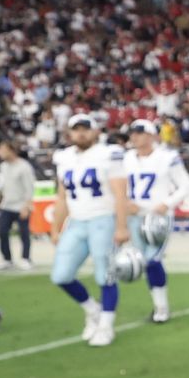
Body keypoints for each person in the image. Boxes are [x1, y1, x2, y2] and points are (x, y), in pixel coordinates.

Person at [50, 113, 131, 348]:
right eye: (76, 129)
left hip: (102, 219)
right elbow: (62, 197)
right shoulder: (64, 158)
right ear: (70, 133)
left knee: (105, 275)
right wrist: (56, 227)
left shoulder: (108, 154)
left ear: (95, 131)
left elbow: (119, 193)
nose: (81, 133)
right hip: (77, 221)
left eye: (86, 128)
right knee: (61, 276)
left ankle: (106, 326)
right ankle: (92, 309)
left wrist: (122, 226)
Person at [121, 118, 189, 325]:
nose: (135, 136)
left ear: (152, 135)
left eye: (140, 132)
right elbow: (119, 185)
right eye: (133, 133)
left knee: (152, 260)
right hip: (135, 216)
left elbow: (186, 186)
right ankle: (158, 305)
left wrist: (167, 203)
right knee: (145, 262)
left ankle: (161, 308)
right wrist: (124, 202)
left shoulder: (167, 157)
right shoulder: (126, 158)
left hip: (157, 219)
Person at [0, 139, 36, 272]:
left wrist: (27, 206)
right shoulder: (3, 166)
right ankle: (7, 259)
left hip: (21, 205)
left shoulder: (24, 166)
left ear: (11, 150)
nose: (0, 152)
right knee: (2, 231)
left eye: (3, 149)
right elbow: (3, 187)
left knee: (24, 233)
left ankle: (26, 259)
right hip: (6, 205)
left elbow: (30, 188)